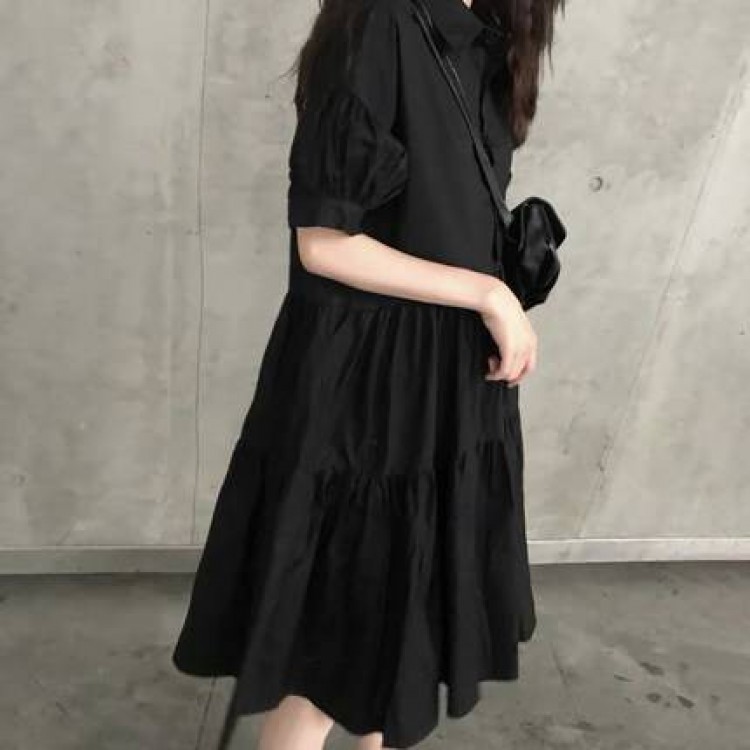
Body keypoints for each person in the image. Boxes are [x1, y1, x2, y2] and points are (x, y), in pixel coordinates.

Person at [171, 0, 565, 748]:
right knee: (334, 659)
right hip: (370, 395)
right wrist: (490, 294)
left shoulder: (487, 37)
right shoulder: (379, 23)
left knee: (394, 651)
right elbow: (325, 243)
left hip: (445, 385)